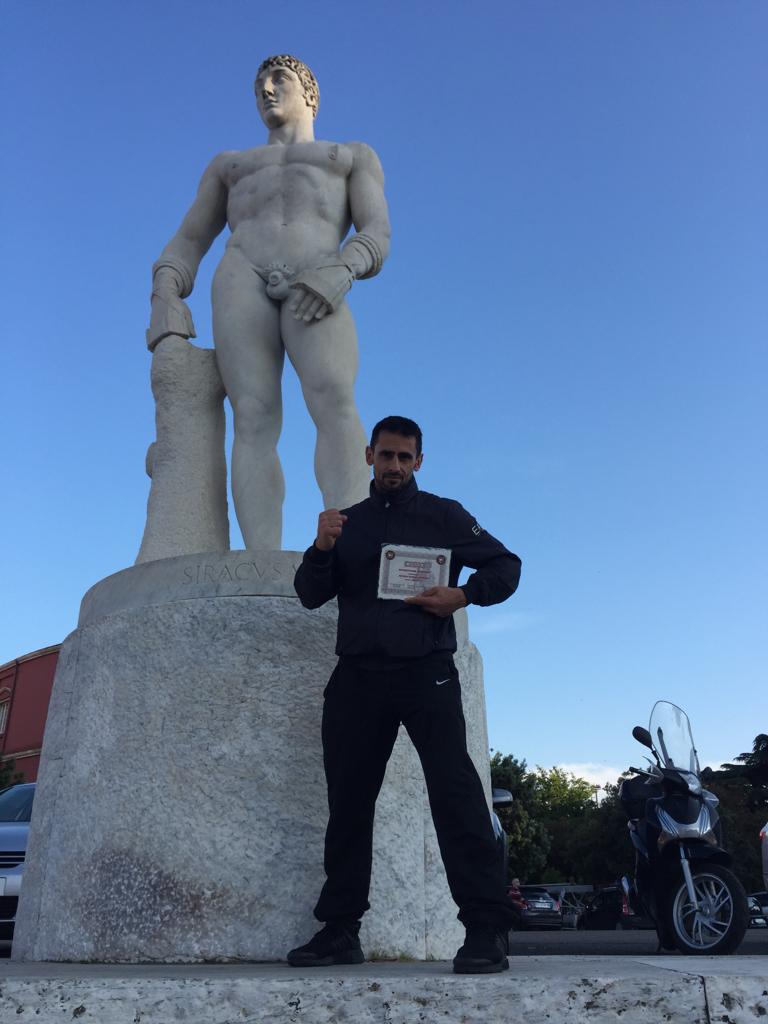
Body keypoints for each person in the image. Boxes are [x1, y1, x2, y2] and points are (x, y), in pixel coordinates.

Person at [290, 415, 522, 974]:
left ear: (419, 461)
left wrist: (462, 595)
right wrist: (321, 548)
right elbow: (309, 594)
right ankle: (340, 931)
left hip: (427, 673)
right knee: (348, 804)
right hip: (357, 678)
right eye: (385, 454)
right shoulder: (347, 524)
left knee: (457, 795)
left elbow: (506, 566)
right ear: (369, 455)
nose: (394, 465)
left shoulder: (445, 515)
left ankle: (486, 929)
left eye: (404, 457)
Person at [148, 55, 391, 550]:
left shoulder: (350, 156)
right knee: (253, 415)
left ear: (309, 92)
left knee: (335, 401)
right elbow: (189, 239)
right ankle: (260, 559)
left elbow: (377, 232)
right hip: (242, 276)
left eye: (279, 79)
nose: (266, 89)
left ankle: (351, 550)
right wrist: (165, 289)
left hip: (318, 277)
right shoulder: (230, 166)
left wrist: (343, 270)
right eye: (259, 83)